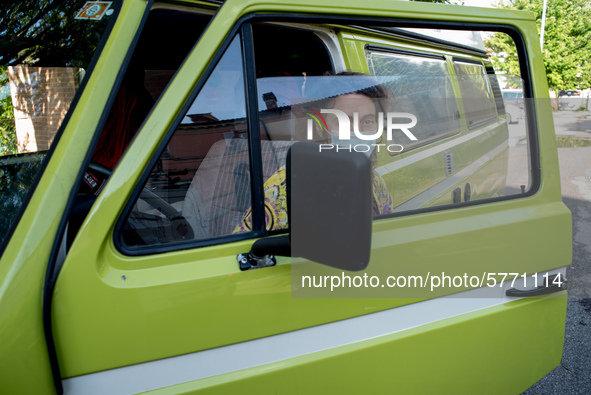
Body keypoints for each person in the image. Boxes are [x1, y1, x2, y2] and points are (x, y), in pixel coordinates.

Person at [234, 72, 393, 234]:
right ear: (320, 128)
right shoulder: (285, 189)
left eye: (367, 121)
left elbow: (386, 233)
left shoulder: (374, 181)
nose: (358, 132)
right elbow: (243, 251)